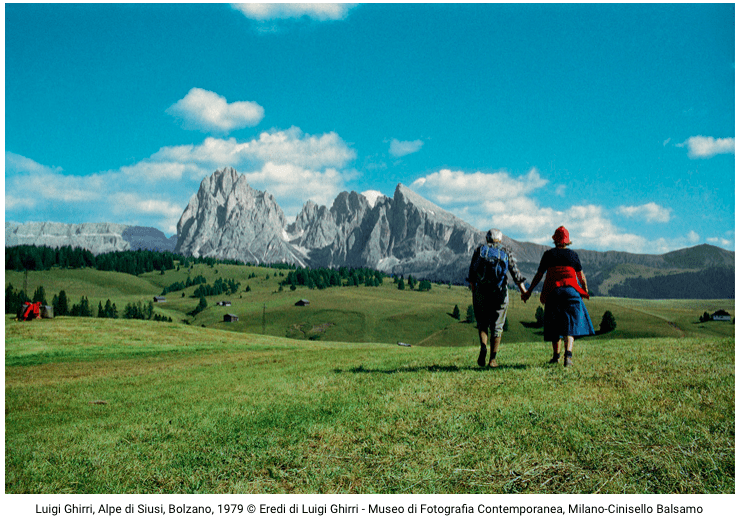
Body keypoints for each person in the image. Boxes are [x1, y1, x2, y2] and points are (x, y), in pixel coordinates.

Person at [522, 226, 594, 367]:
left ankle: (556, 357)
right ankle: (568, 356)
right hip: (571, 292)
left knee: (555, 324)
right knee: (571, 324)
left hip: (554, 292)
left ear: (555, 240)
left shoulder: (548, 255)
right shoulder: (573, 255)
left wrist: (529, 291)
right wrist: (585, 290)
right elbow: (581, 277)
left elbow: (539, 275)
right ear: (567, 241)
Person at [467, 228, 528, 368]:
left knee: (482, 323)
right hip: (499, 293)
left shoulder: (479, 250)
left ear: (487, 238)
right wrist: (523, 291)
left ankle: (483, 347)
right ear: (500, 239)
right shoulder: (505, 250)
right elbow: (515, 274)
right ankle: (492, 359)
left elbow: (472, 274)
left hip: (482, 292)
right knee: (497, 325)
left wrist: (475, 292)